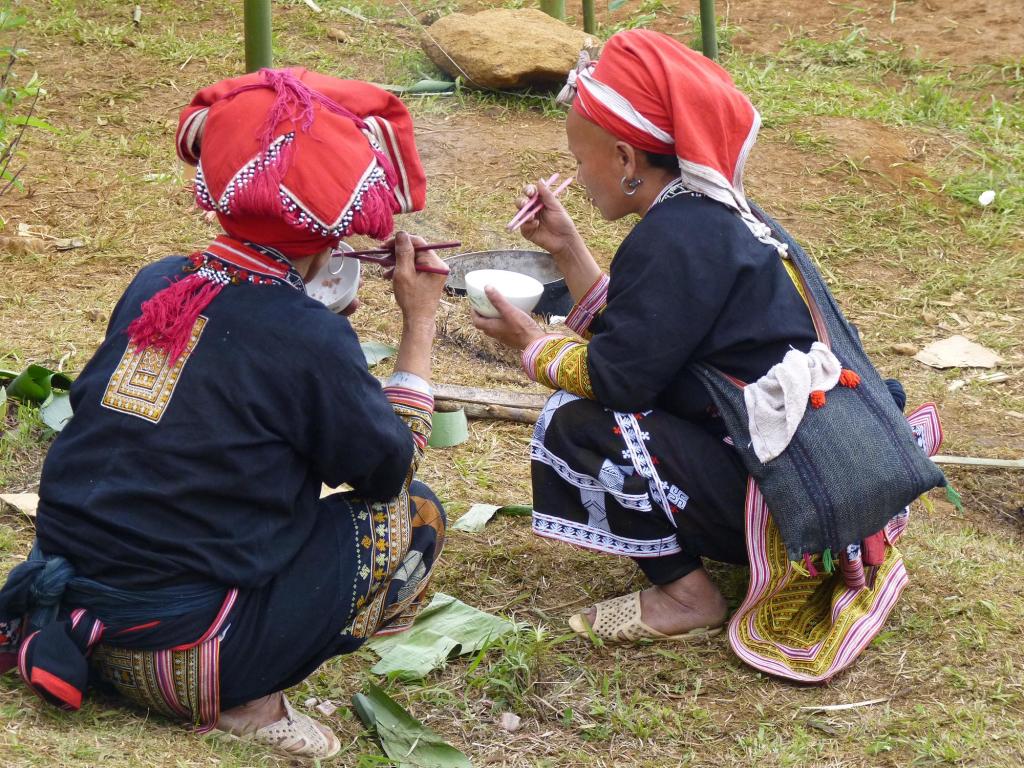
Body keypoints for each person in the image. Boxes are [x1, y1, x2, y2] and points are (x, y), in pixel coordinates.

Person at [0, 68, 448, 759]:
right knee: (411, 515)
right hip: (187, 659)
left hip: (64, 605)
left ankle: (91, 648)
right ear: (333, 230)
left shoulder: (160, 281)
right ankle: (250, 703)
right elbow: (391, 463)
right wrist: (418, 327)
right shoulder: (307, 337)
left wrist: (315, 331)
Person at [472, 30, 943, 679]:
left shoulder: (672, 239)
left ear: (625, 156)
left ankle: (685, 595)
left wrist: (533, 344)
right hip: (830, 475)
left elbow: (620, 381)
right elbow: (653, 335)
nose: (576, 179)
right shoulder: (719, 219)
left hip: (793, 498)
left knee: (575, 424)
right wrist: (567, 251)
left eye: (579, 162)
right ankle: (739, 534)